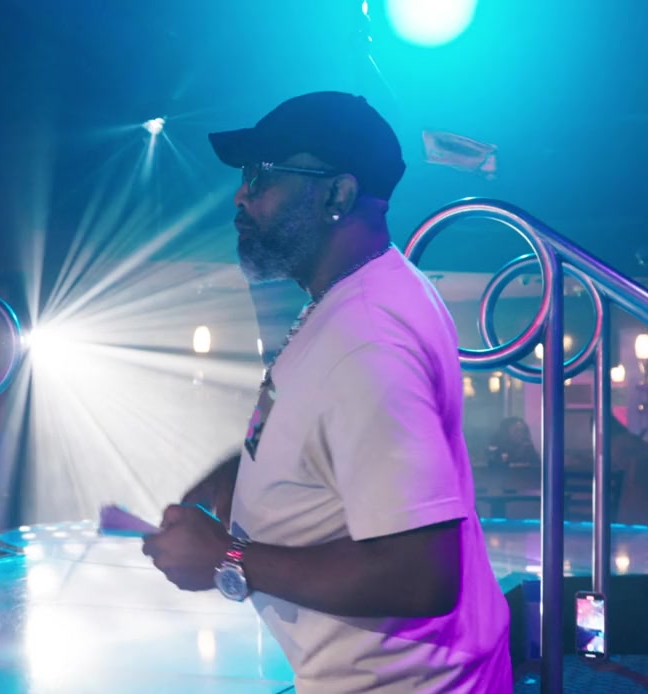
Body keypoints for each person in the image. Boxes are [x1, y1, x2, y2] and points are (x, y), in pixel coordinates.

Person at [142, 92, 512, 692]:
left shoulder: (367, 338)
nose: (241, 196)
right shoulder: (356, 297)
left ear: (337, 195)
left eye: (261, 176)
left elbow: (420, 575)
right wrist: (245, 475)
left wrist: (227, 559)